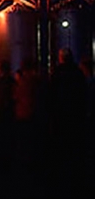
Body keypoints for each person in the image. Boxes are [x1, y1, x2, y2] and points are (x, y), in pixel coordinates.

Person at [49, 48, 88, 195]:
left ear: (61, 58)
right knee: (74, 146)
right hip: (75, 115)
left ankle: (62, 173)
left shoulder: (57, 73)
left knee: (62, 146)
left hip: (61, 115)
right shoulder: (78, 73)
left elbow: (51, 95)